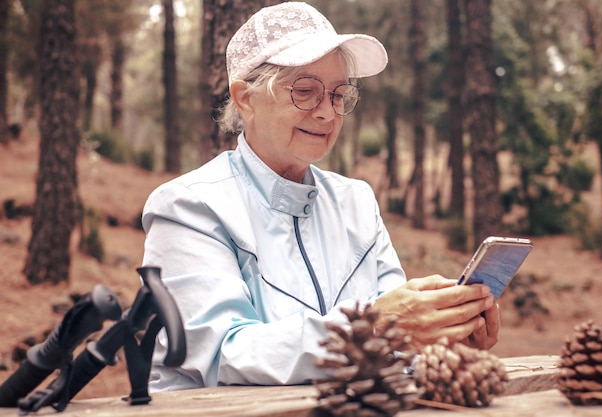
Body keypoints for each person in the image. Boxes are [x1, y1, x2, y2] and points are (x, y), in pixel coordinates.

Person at [141, 1, 499, 391]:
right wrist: (375, 327)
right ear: (245, 98)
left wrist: (440, 335)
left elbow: (397, 339)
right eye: (306, 91)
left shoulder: (356, 202)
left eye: (338, 95)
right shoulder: (189, 206)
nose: (328, 114)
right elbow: (223, 352)